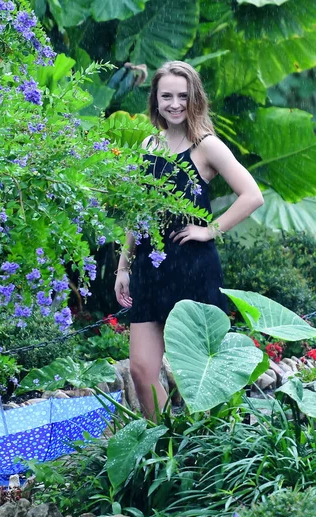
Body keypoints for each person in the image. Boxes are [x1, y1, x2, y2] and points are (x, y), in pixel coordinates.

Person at [114, 60, 264, 420]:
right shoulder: (149, 144)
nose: (175, 104)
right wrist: (123, 265)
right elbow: (139, 211)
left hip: (193, 269)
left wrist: (209, 229)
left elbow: (252, 195)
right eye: (167, 96)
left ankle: (203, 454)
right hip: (150, 271)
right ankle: (168, 447)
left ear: (194, 99)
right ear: (156, 99)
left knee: (199, 375)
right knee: (141, 369)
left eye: (183, 96)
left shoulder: (206, 146)